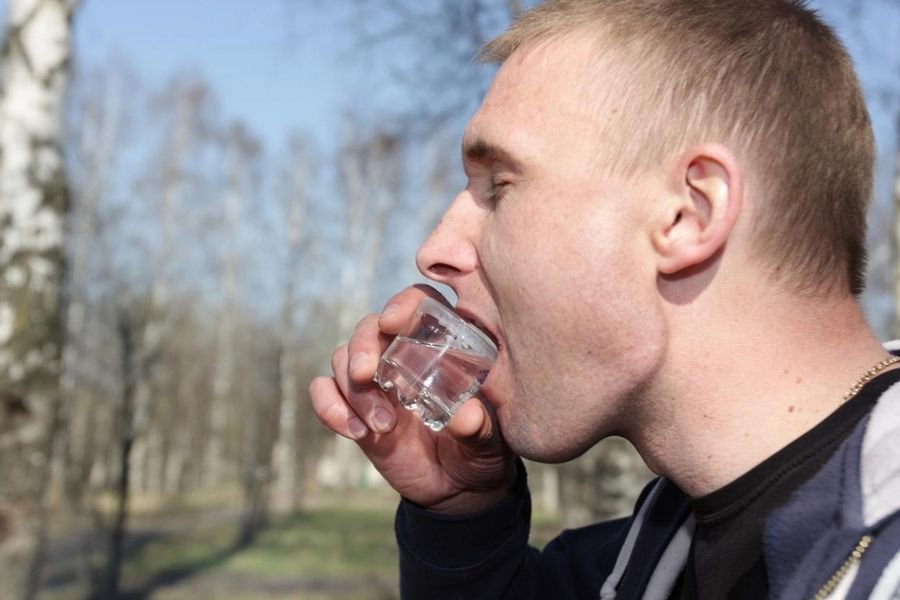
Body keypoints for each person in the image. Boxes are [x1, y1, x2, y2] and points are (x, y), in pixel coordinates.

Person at [309, 0, 900, 597]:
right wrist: (465, 520)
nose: (435, 251)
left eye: (500, 185)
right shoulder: (623, 567)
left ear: (688, 215)